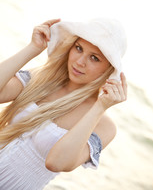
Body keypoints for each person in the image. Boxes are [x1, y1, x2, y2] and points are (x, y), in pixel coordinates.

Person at [0, 18, 127, 190]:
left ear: (108, 69)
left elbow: (56, 162)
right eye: (79, 48)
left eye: (94, 58)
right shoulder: (39, 79)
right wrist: (33, 48)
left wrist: (99, 106)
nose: (80, 61)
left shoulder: (104, 125)